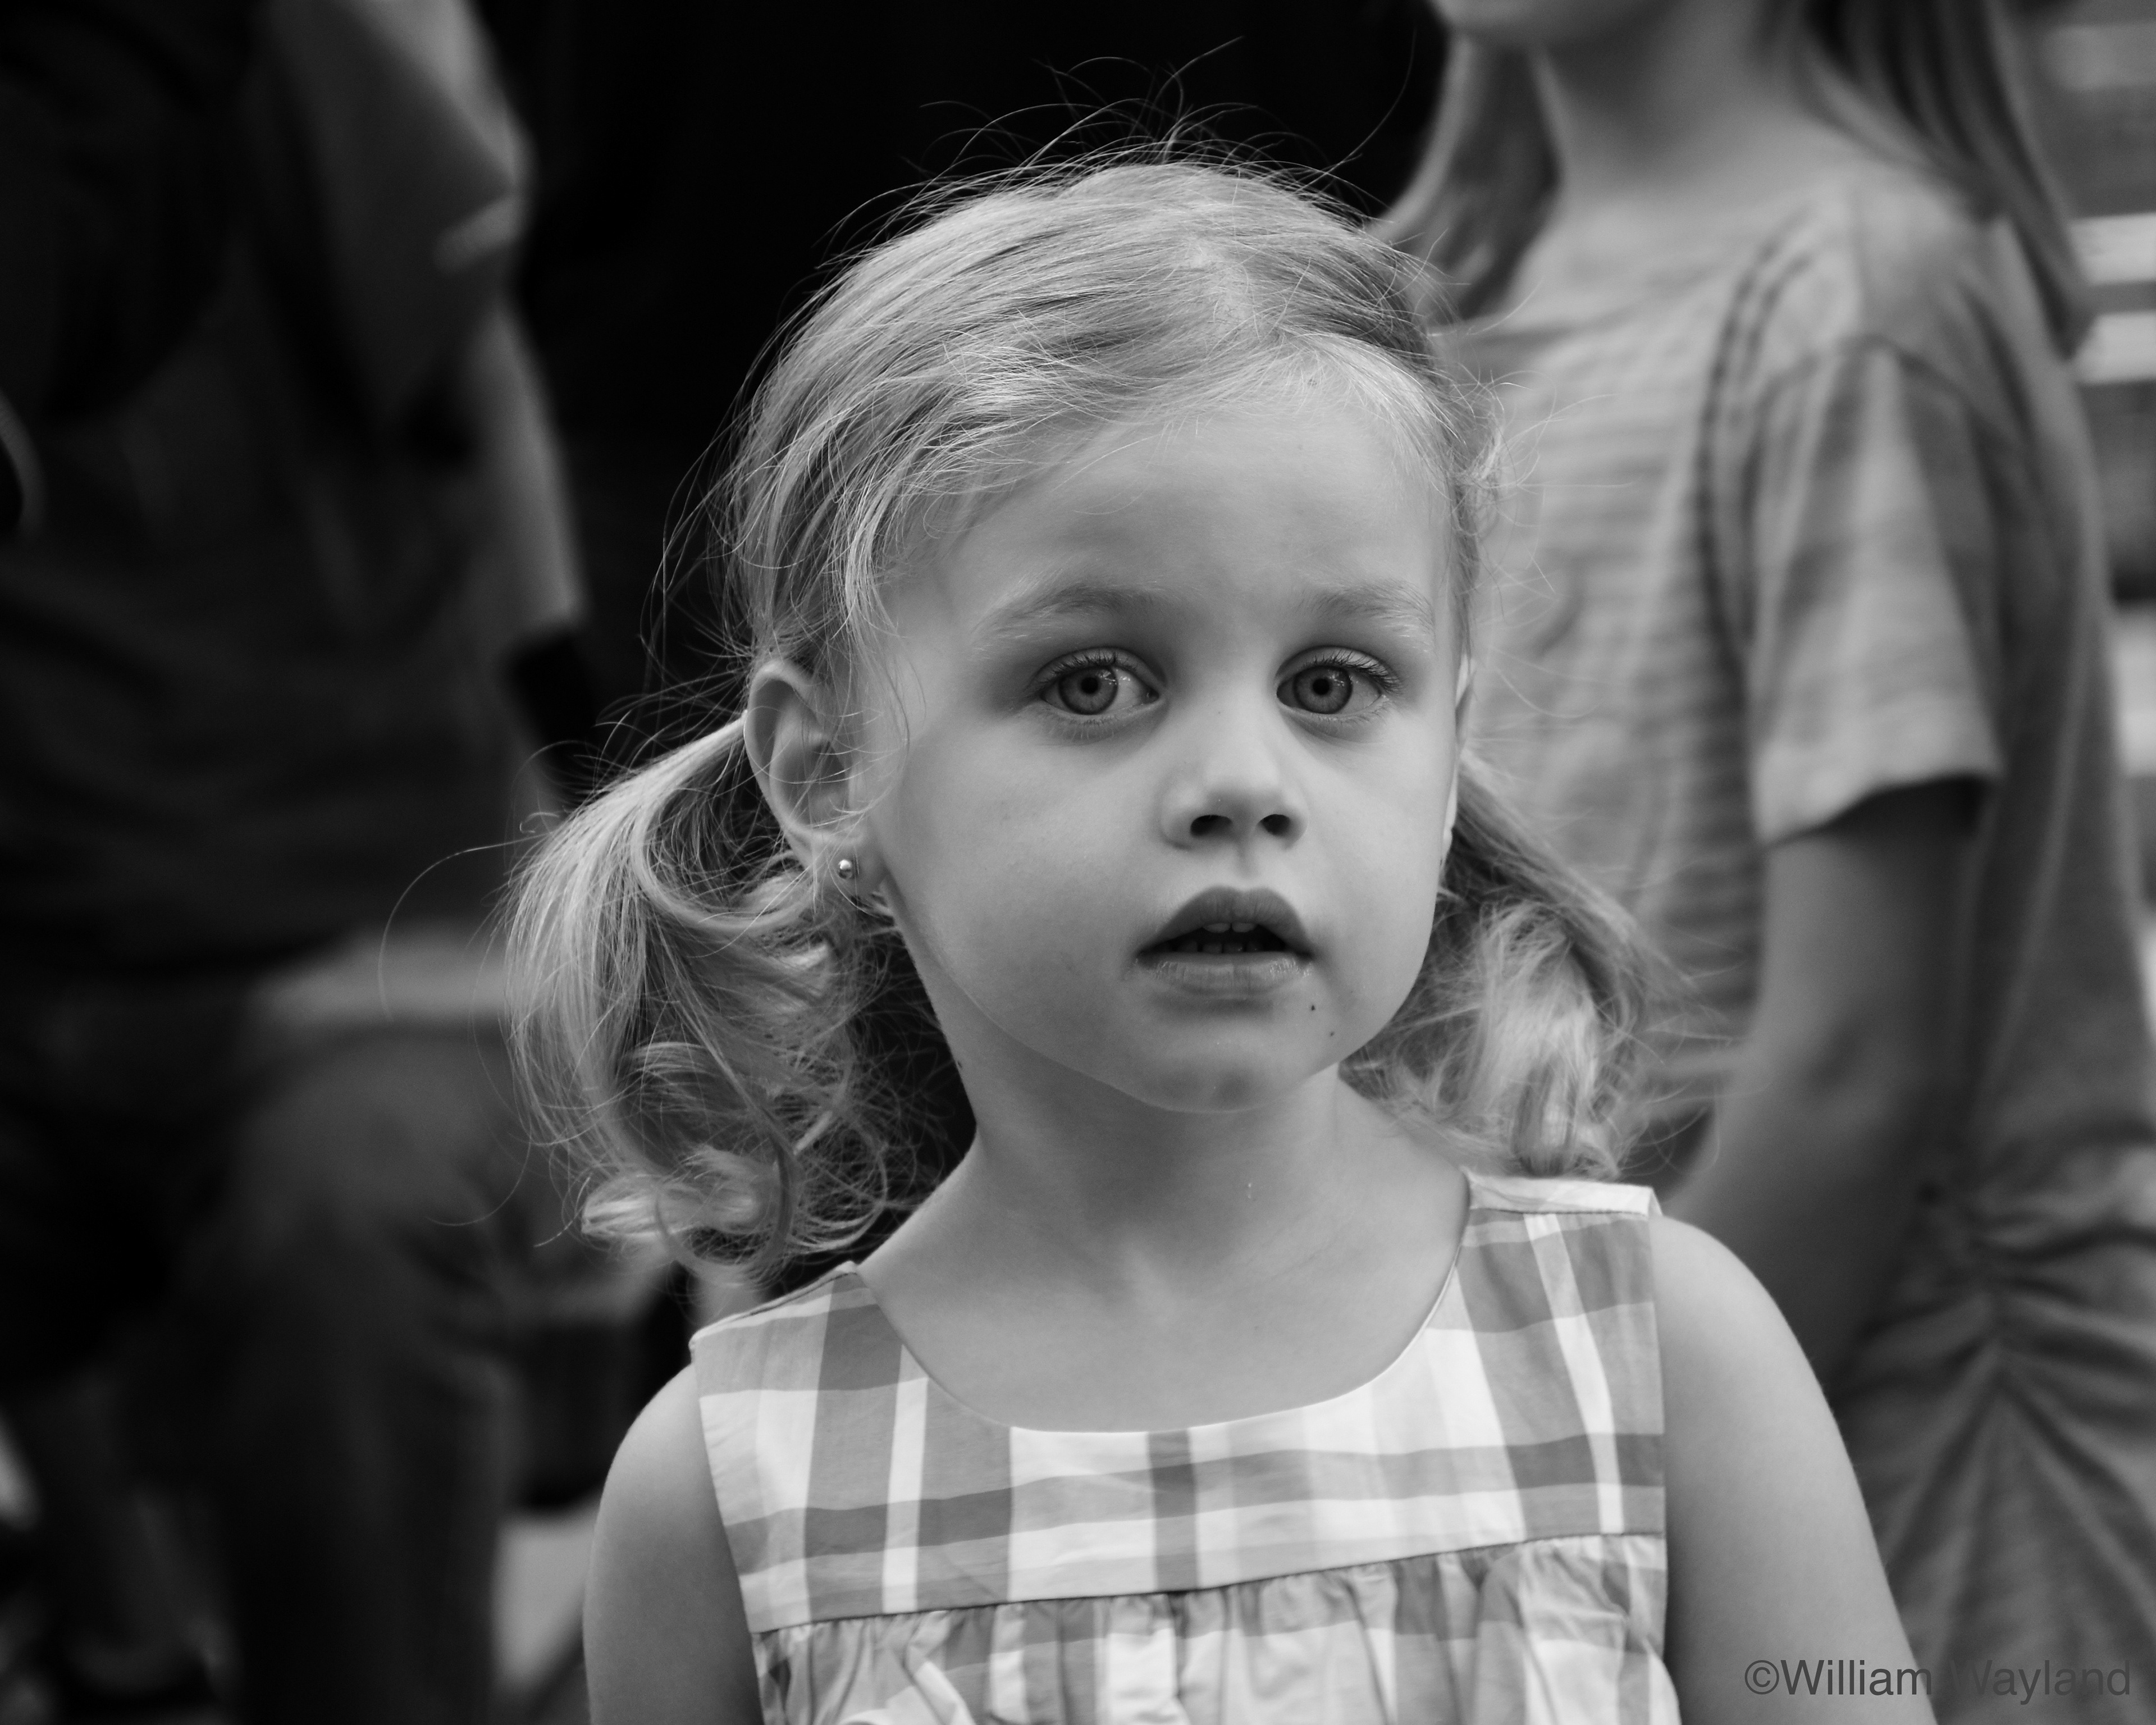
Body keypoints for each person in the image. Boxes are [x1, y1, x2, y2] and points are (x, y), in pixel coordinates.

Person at [511, 160, 1933, 1723]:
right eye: (1095, 682)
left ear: (1450, 748)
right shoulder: (724, 1497)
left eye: (1332, 683)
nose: (1244, 785)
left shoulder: (1666, 1357)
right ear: (826, 771)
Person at [1384, 0, 2156, 1711]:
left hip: (1917, 1481)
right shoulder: (1432, 305)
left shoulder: (1850, 298)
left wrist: (1578, 1503)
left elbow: (1861, 1069)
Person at [0, 0, 584, 1717]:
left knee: (348, 1215)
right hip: (44, 976)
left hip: (372, 949)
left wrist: (586, 822)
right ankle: (125, 1642)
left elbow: (493, 398)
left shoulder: (259, 68)